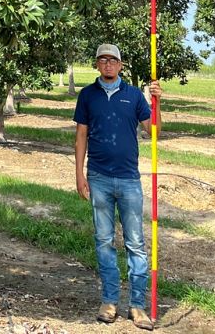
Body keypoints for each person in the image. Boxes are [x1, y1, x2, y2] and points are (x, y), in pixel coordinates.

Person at [73, 44, 162, 329]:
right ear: (97, 65)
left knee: (135, 243)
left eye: (113, 60)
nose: (108, 64)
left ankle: (137, 306)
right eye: (103, 60)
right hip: (98, 178)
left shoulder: (134, 95)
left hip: (128, 180)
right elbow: (81, 137)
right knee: (104, 241)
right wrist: (79, 174)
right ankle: (109, 301)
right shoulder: (87, 95)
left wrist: (158, 103)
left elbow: (154, 131)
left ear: (121, 65)